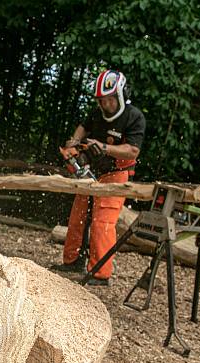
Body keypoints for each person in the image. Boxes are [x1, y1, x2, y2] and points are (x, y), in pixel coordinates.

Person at [53, 69, 145, 285]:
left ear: (121, 95)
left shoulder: (134, 117)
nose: (106, 105)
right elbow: (83, 127)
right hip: (91, 172)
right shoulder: (96, 115)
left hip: (116, 175)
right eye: (102, 101)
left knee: (102, 222)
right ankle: (72, 260)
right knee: (78, 216)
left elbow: (133, 151)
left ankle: (100, 273)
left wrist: (103, 147)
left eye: (110, 100)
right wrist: (74, 143)